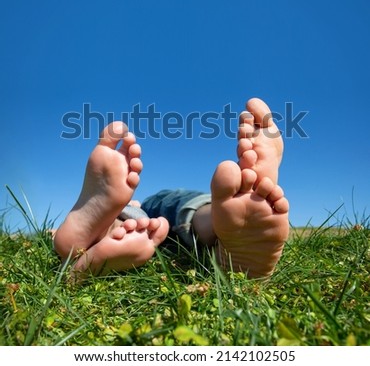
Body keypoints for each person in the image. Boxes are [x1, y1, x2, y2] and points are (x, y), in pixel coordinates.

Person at [53, 98, 289, 280]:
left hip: (142, 217)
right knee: (187, 208)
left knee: (136, 218)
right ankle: (218, 220)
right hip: (154, 217)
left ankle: (103, 234)